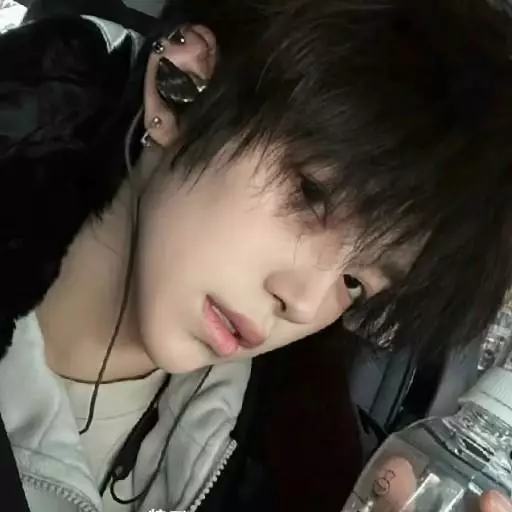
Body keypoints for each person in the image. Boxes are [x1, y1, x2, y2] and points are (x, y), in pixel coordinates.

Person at [0, 0, 511, 511]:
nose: (304, 303)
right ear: (182, 86)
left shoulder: (287, 467)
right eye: (311, 195)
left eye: (355, 283)